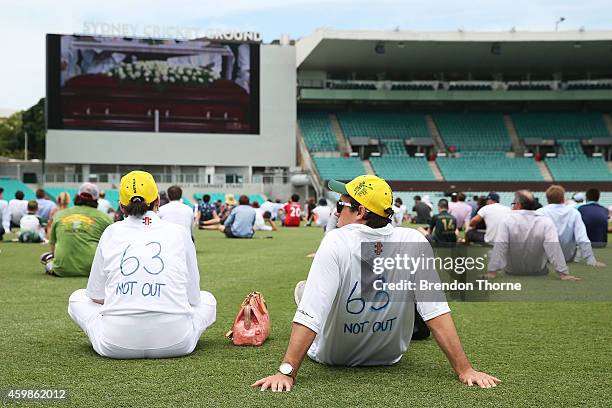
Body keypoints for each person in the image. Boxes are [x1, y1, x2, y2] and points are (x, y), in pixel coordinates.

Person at [252, 175, 501, 392]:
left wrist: (286, 372)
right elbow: (435, 311)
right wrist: (465, 369)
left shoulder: (335, 240)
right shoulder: (414, 238)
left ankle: (307, 290)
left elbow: (311, 314)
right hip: (391, 355)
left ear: (360, 212)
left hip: (333, 356)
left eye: (342, 205)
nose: (337, 211)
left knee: (312, 296)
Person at [67, 170, 216, 359]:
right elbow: (193, 297)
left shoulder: (111, 232)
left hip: (116, 343)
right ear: (158, 202)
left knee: (77, 298)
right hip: (177, 341)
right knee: (208, 298)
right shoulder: (179, 232)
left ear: (122, 206)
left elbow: (96, 296)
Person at [483, 190, 580, 281]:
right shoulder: (546, 221)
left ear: (518, 205)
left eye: (513, 204)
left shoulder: (507, 221)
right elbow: (553, 248)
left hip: (512, 271)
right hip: (538, 271)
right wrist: (563, 273)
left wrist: (492, 272)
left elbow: (500, 246)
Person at [43, 183, 113, 277]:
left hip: (62, 270)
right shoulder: (105, 218)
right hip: (92, 270)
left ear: (77, 196)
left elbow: (52, 244)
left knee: (45, 259)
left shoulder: (59, 215)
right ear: (96, 200)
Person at [536, 185, 605, 267]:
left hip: (546, 257)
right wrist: (591, 260)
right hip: (568, 257)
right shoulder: (574, 213)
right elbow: (582, 238)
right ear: (563, 198)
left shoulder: (540, 212)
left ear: (547, 199)